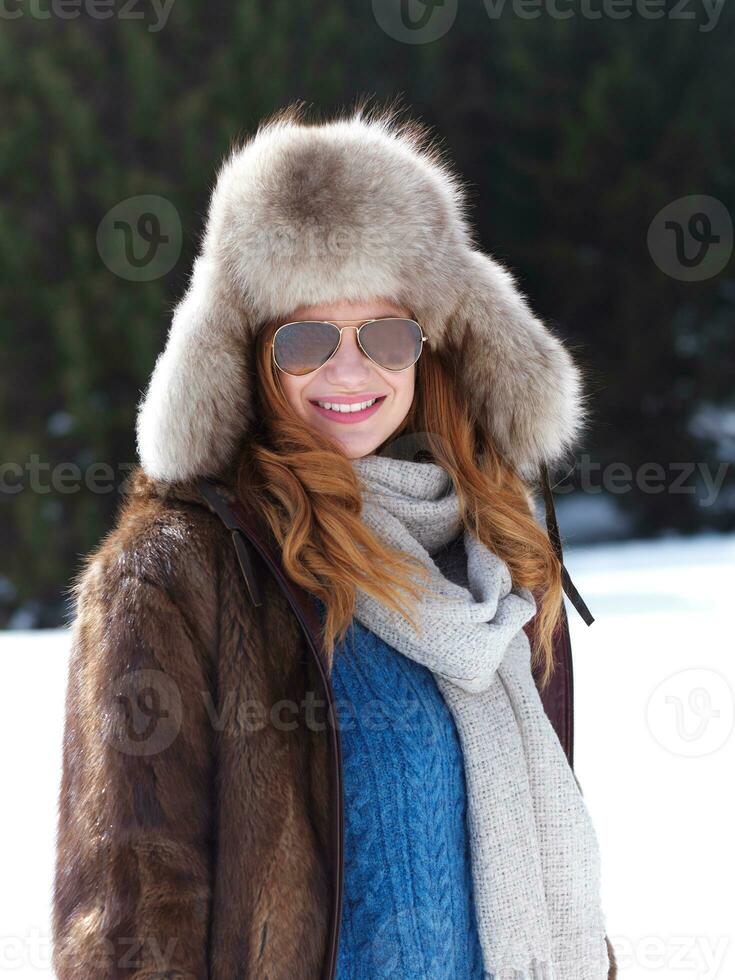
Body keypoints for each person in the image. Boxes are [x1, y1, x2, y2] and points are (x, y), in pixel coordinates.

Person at [52, 99, 617, 979]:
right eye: (306, 337)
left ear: (429, 346)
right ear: (247, 353)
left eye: (384, 334)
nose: (350, 371)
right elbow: (129, 913)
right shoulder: (179, 574)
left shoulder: (490, 559)